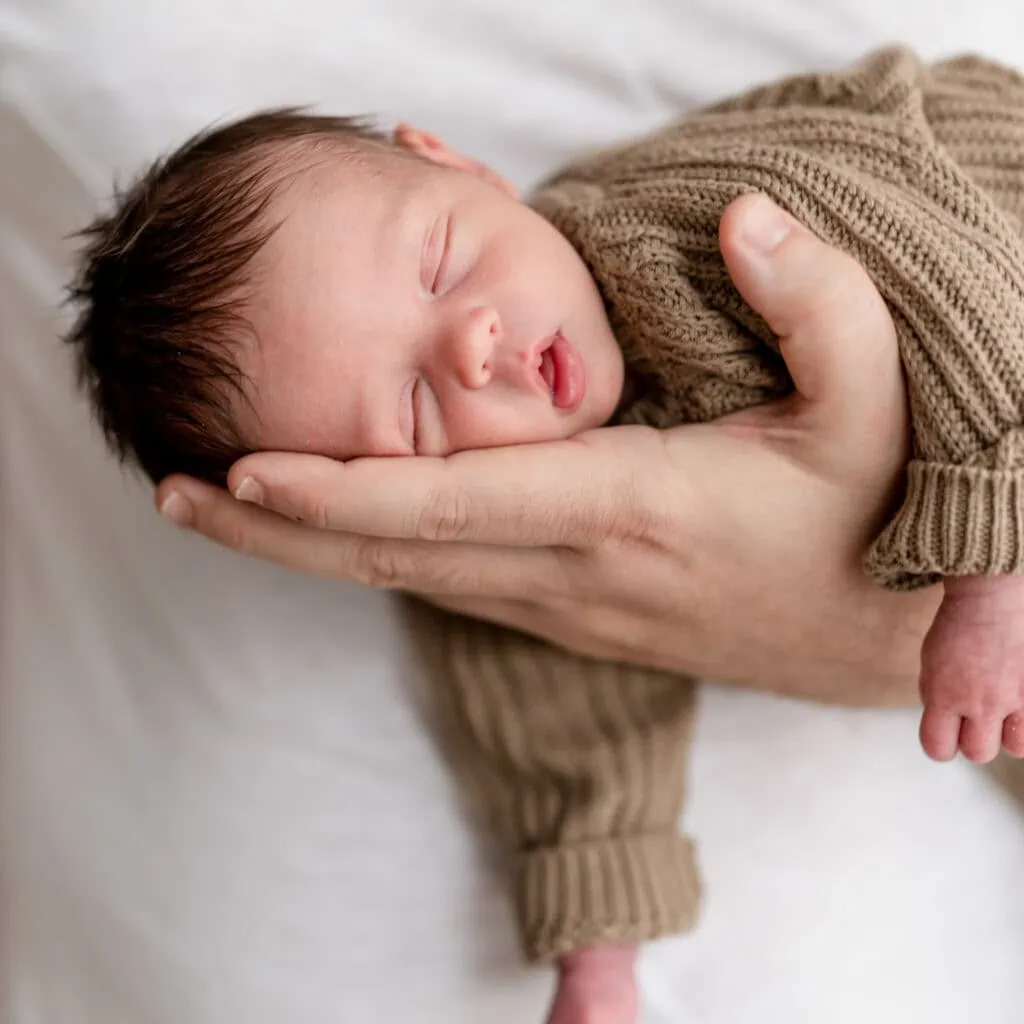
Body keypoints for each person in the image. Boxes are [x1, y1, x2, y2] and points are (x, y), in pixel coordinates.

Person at [67, 44, 1024, 1024]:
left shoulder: (676, 231)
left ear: (460, 166)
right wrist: (597, 950)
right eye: (411, 407)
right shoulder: (536, 528)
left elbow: (951, 281)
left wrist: (991, 579)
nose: (471, 345)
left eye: (441, 263)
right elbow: (556, 707)